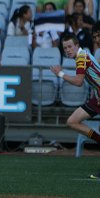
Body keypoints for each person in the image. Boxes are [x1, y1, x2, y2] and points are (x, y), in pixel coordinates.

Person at [50, 33, 100, 179]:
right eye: (65, 48)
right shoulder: (84, 55)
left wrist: (60, 74)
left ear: (77, 46)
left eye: (70, 46)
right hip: (97, 98)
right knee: (72, 121)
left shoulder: (81, 57)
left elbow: (78, 81)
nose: (67, 50)